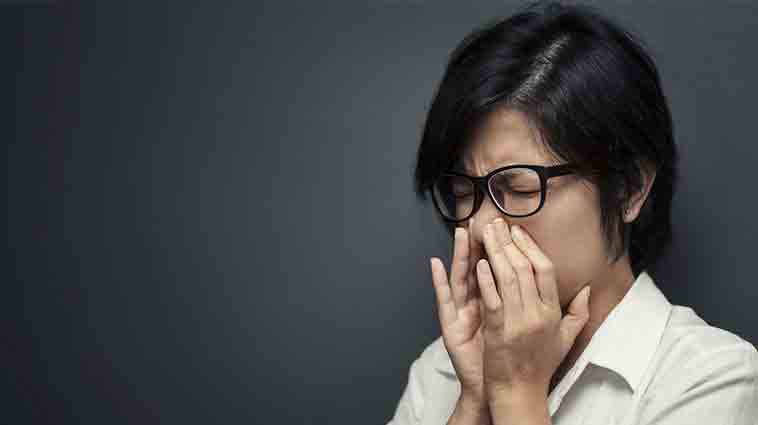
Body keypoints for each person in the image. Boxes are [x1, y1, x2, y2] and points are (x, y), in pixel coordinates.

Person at [388, 2, 758, 425]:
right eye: (461, 191)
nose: (479, 226)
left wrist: (515, 391)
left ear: (628, 188)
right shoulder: (439, 371)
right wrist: (474, 400)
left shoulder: (709, 378)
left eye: (518, 188)